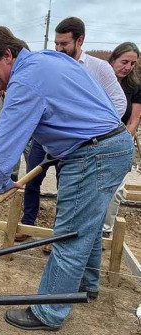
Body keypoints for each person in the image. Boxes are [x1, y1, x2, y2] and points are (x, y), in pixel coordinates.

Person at [0, 26, 133, 331]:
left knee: (69, 234)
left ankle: (48, 311)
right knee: (89, 225)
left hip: (93, 153)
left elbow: (4, 147)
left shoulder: (25, 78)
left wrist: (3, 182)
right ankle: (86, 285)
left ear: (7, 55)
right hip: (111, 145)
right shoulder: (49, 59)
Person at [17, 17, 128, 242]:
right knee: (32, 181)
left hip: (78, 144)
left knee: (66, 188)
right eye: (56, 44)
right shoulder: (50, 65)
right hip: (46, 138)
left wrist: (94, 130)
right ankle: (27, 223)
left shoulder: (99, 68)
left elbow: (119, 101)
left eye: (64, 44)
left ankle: (58, 235)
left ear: (80, 40)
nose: (59, 49)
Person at [102, 42, 141, 235]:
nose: (128, 67)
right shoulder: (99, 78)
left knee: (116, 191)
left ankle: (105, 231)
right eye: (124, 61)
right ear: (113, 58)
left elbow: (133, 120)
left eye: (132, 64)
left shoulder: (135, 86)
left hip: (119, 142)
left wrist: (122, 143)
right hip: (94, 141)